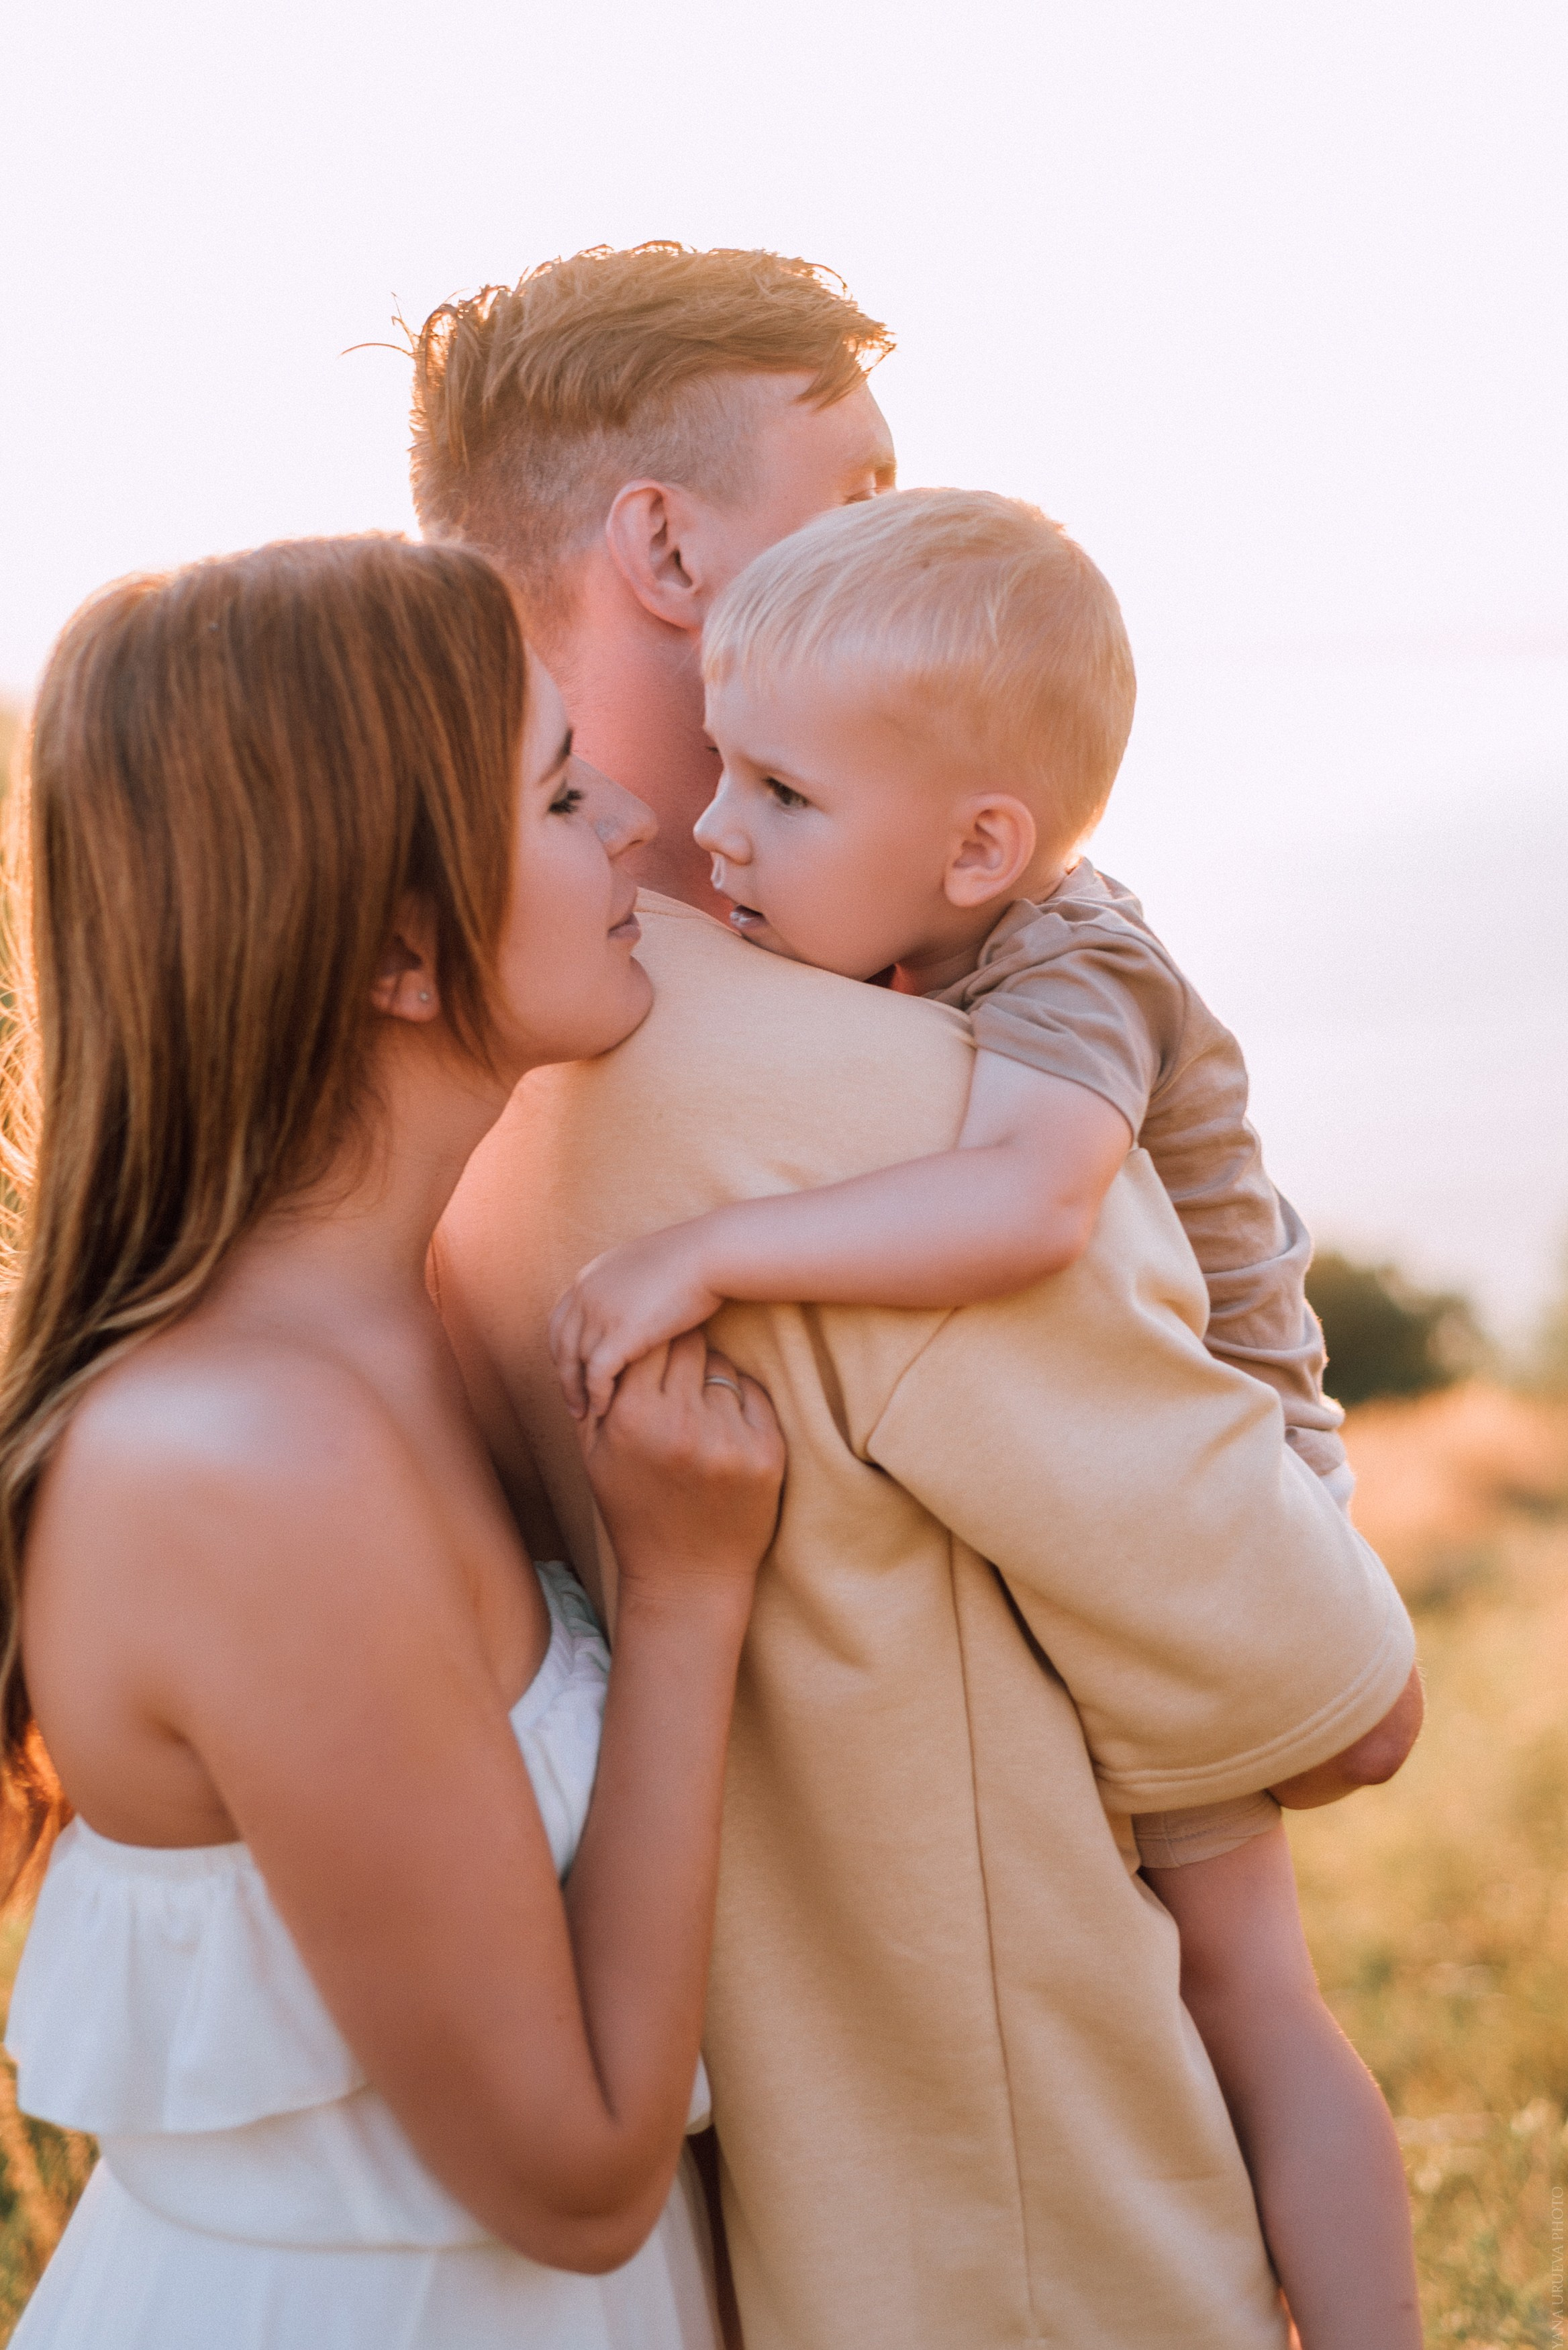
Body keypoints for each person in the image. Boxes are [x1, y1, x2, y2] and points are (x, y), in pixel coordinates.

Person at [414, 245, 1424, 2350]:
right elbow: (1347, 1698)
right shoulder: (857, 1098)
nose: (898, 531)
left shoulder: (455, 1051)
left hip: (759, 2220)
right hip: (1041, 2213)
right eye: (857, 482)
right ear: (665, 543)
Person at [0, 533, 785, 2350]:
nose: (635, 838)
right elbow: (573, 2177)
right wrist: (681, 1600)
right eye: (561, 790)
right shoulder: (249, 1464)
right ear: (397, 949)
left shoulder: (420, 1313)